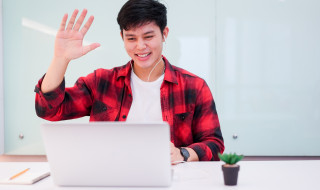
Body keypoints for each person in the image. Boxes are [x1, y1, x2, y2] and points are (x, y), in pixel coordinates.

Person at [34, 0, 224, 162]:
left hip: (172, 179)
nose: (140, 46)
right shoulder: (102, 82)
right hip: (110, 178)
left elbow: (214, 145)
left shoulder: (194, 86)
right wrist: (60, 59)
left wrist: (181, 153)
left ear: (164, 34)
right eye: (131, 38)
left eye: (148, 36)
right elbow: (49, 110)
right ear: (122, 38)